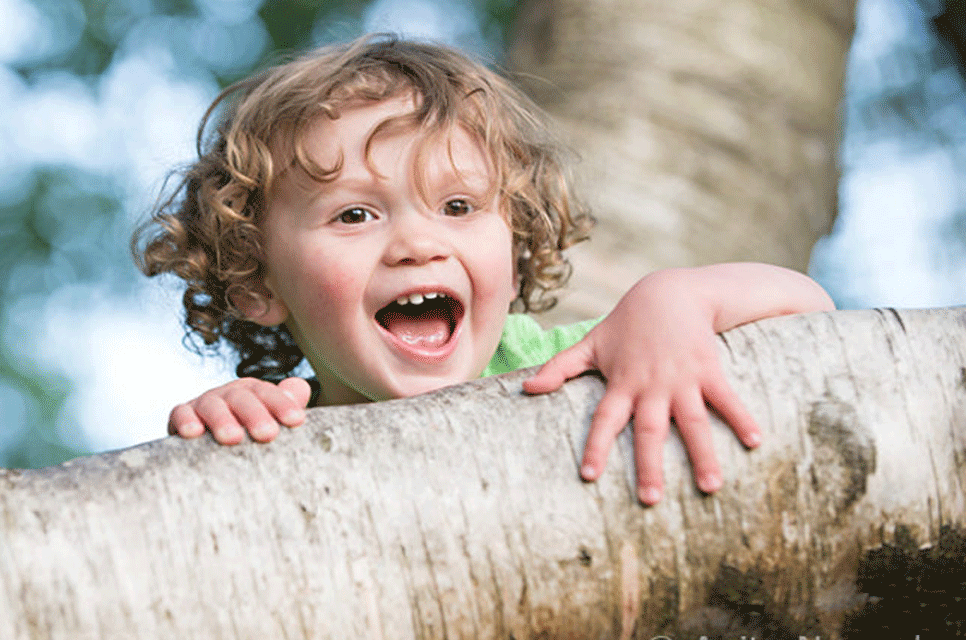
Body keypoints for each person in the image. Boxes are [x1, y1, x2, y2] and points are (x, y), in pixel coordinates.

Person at [133, 35, 834, 505]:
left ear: (517, 238)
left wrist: (673, 302)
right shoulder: (283, 430)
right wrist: (221, 434)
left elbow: (809, 309)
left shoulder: (562, 370)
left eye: (458, 205)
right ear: (256, 282)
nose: (416, 243)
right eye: (354, 216)